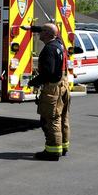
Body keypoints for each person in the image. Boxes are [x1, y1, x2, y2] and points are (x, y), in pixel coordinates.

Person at [23, 23, 70, 161]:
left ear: (48, 34)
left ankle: (53, 151)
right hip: (63, 85)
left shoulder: (49, 49)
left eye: (41, 31)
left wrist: (33, 82)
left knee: (51, 119)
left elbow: (48, 73)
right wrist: (31, 29)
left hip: (53, 88)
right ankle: (63, 146)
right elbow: (52, 30)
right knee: (63, 118)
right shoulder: (59, 43)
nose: (39, 34)